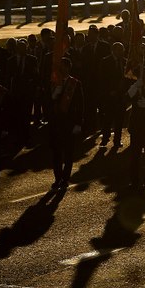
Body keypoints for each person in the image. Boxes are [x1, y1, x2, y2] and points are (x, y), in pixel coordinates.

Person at [49, 57, 83, 189]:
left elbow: (80, 104)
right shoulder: (54, 82)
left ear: (69, 68)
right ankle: (57, 178)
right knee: (56, 153)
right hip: (56, 122)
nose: (62, 69)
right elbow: (47, 101)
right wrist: (55, 94)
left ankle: (65, 178)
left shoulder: (75, 83)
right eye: (60, 67)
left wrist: (78, 123)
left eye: (64, 67)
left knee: (69, 153)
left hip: (70, 122)